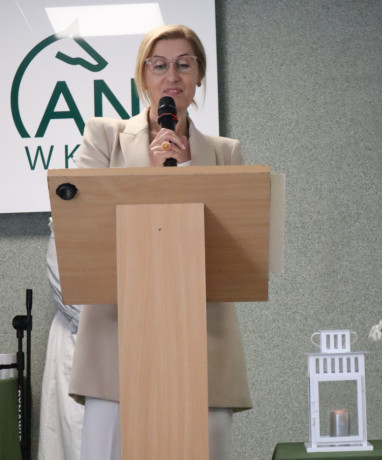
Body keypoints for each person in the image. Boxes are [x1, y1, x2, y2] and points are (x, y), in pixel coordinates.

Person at [68, 24, 252, 460]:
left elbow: (235, 248)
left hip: (202, 340)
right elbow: (83, 227)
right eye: (159, 65)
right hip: (116, 341)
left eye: (184, 65)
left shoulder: (224, 154)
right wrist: (150, 177)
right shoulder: (104, 137)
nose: (172, 76)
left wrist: (186, 171)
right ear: (143, 76)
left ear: (199, 76)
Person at [38, 223, 84, 460]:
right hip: (80, 332)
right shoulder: (70, 211)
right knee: (77, 438)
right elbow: (62, 279)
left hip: (137, 335)